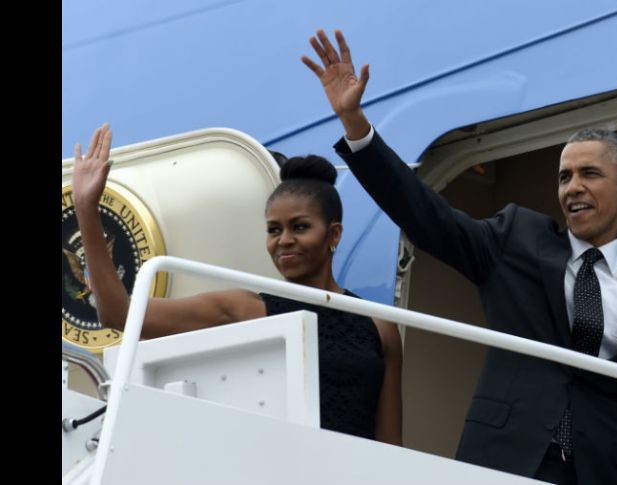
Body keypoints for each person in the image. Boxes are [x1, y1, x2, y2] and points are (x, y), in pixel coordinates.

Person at [301, 30, 617, 483]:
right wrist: (357, 127)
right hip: (504, 459)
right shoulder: (518, 237)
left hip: (600, 470)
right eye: (564, 176)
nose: (573, 187)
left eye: (590, 173)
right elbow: (429, 217)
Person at [71, 123, 403, 445]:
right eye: (274, 230)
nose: (283, 240)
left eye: (299, 227)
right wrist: (87, 209)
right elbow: (119, 314)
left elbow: (392, 447)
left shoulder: (379, 326)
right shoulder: (246, 308)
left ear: (333, 234)